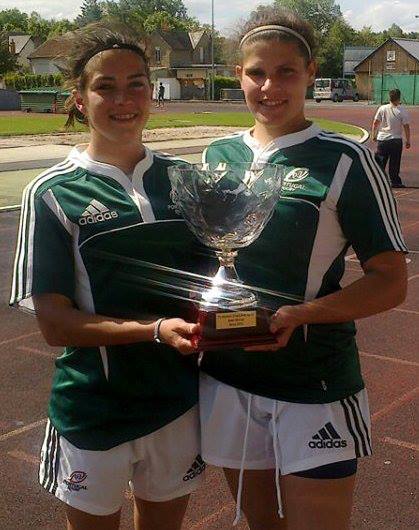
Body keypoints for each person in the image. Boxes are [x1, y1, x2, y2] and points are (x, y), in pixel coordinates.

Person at [198, 8, 408, 530]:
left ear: (311, 71)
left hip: (313, 383)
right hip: (228, 378)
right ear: (238, 75)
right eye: (256, 73)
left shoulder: (344, 160)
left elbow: (390, 279)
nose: (270, 86)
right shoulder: (215, 155)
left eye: (286, 72)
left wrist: (303, 313)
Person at [9, 23, 204, 530]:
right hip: (96, 408)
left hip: (176, 401)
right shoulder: (52, 192)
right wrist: (154, 331)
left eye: (136, 83)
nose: (124, 98)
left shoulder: (185, 181)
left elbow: (213, 281)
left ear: (151, 92)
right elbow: (54, 325)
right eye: (106, 87)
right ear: (79, 99)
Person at [372, 88, 411, 188]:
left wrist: (374, 134)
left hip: (383, 138)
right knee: (395, 162)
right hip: (396, 139)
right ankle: (395, 181)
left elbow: (376, 122)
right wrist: (408, 140)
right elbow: (406, 126)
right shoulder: (402, 110)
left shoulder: (382, 108)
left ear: (389, 97)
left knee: (381, 161)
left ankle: (378, 180)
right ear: (399, 98)